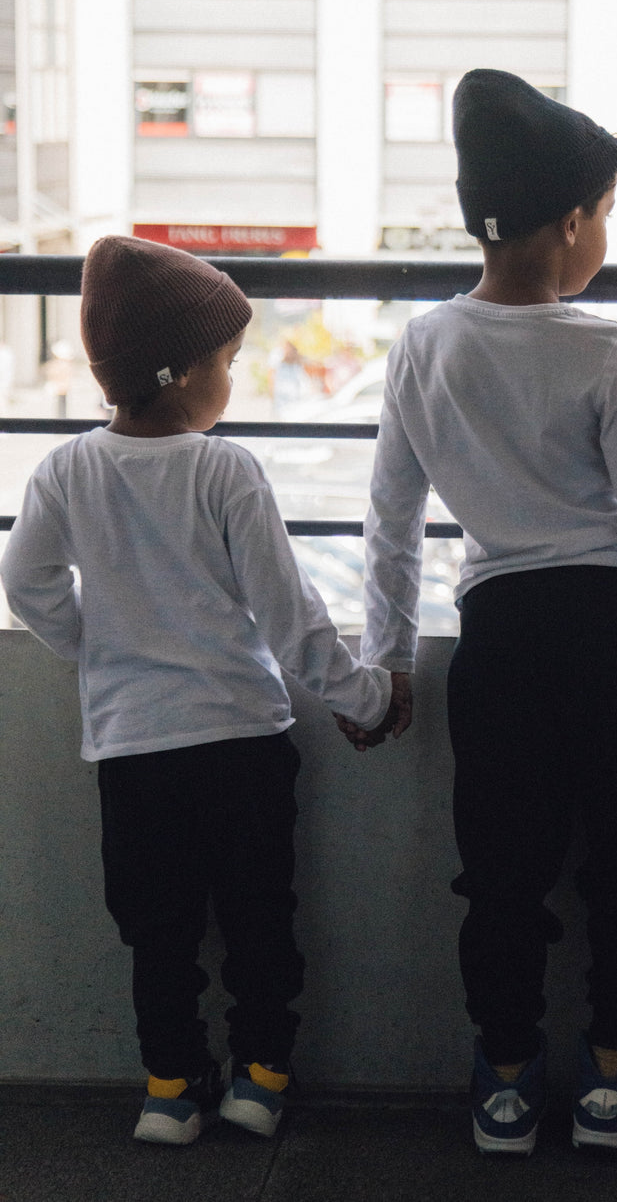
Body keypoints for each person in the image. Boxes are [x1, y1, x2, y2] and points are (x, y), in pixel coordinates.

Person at [1, 235, 410, 1147]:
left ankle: (169, 1088)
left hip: (133, 752)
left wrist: (95, 648)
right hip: (239, 743)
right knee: (260, 921)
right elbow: (290, 615)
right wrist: (365, 696)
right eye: (227, 361)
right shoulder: (225, 470)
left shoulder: (65, 470)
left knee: (158, 933)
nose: (233, 376)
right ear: (183, 374)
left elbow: (25, 581)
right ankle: (261, 1078)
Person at [357, 69, 617, 1157]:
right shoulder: (603, 349)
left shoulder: (424, 345)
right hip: (613, 640)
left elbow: (392, 520)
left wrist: (388, 657)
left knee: (500, 873)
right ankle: (608, 1078)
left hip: (498, 645)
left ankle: (504, 1078)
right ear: (572, 221)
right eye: (605, 216)